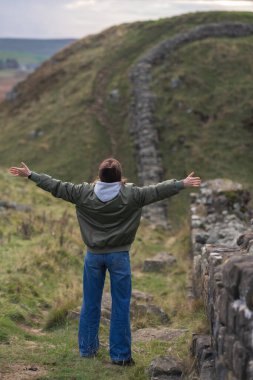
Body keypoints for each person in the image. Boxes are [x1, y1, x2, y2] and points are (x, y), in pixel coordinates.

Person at [8, 159, 201, 366]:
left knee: (90, 303)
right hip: (119, 256)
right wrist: (181, 183)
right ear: (120, 176)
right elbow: (157, 191)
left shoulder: (82, 193)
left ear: (99, 176)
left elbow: (56, 186)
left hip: (93, 256)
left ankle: (87, 350)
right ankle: (120, 356)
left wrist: (31, 175)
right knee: (121, 305)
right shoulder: (132, 195)